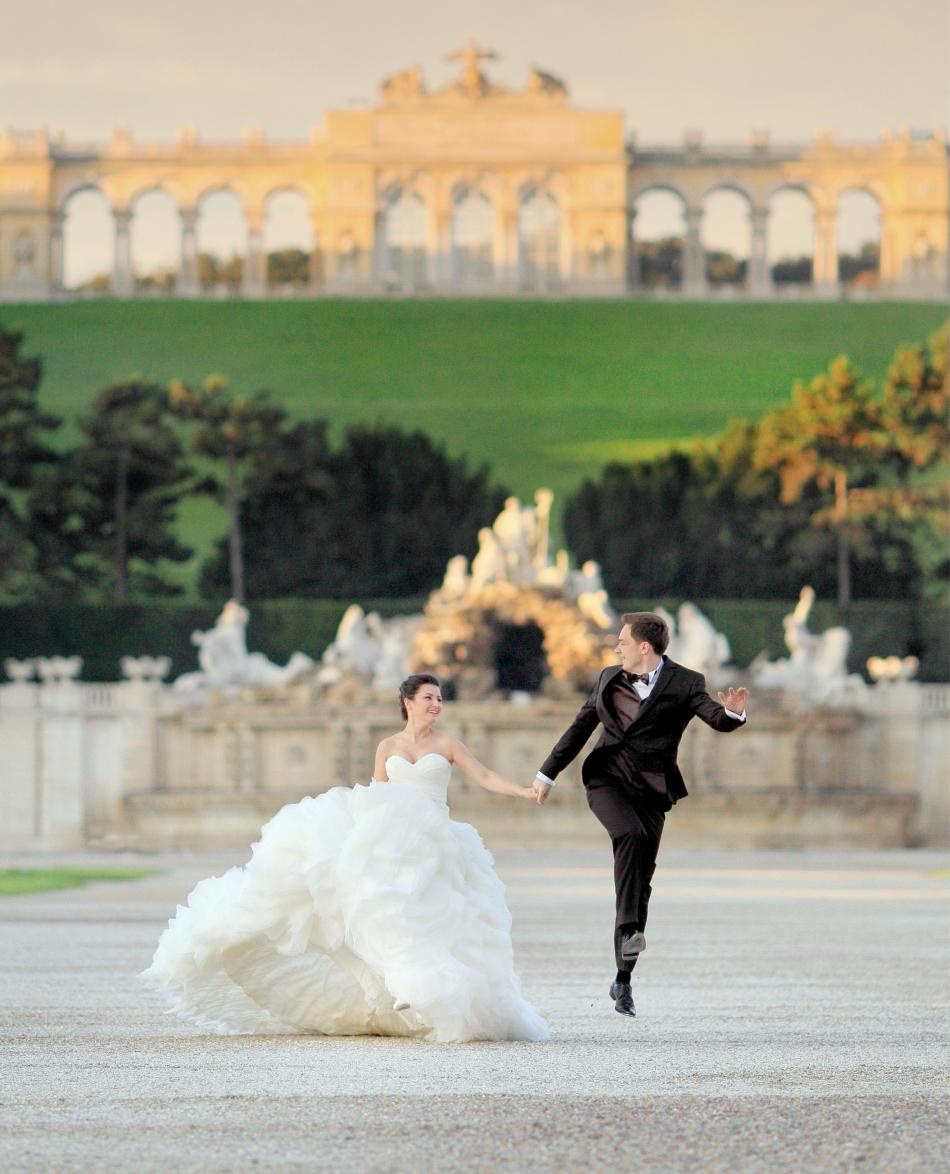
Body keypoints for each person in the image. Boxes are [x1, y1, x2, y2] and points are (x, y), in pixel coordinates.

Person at [140, 673, 548, 1044]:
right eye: (429, 698)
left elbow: (485, 777)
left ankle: (419, 988)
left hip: (435, 839)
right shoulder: (387, 746)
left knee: (431, 915)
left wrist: (523, 791)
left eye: (439, 698)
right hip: (389, 838)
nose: (436, 705)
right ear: (408, 701)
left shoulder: (447, 745)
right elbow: (374, 792)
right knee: (381, 909)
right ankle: (397, 984)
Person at [532, 612, 748, 1018]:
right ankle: (630, 931)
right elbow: (579, 728)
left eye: (623, 642)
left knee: (640, 878)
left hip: (651, 789)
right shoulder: (607, 678)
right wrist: (547, 773)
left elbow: (714, 717)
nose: (617, 648)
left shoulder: (686, 682)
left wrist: (733, 714)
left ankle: (623, 980)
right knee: (629, 834)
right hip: (606, 781)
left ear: (644, 647)